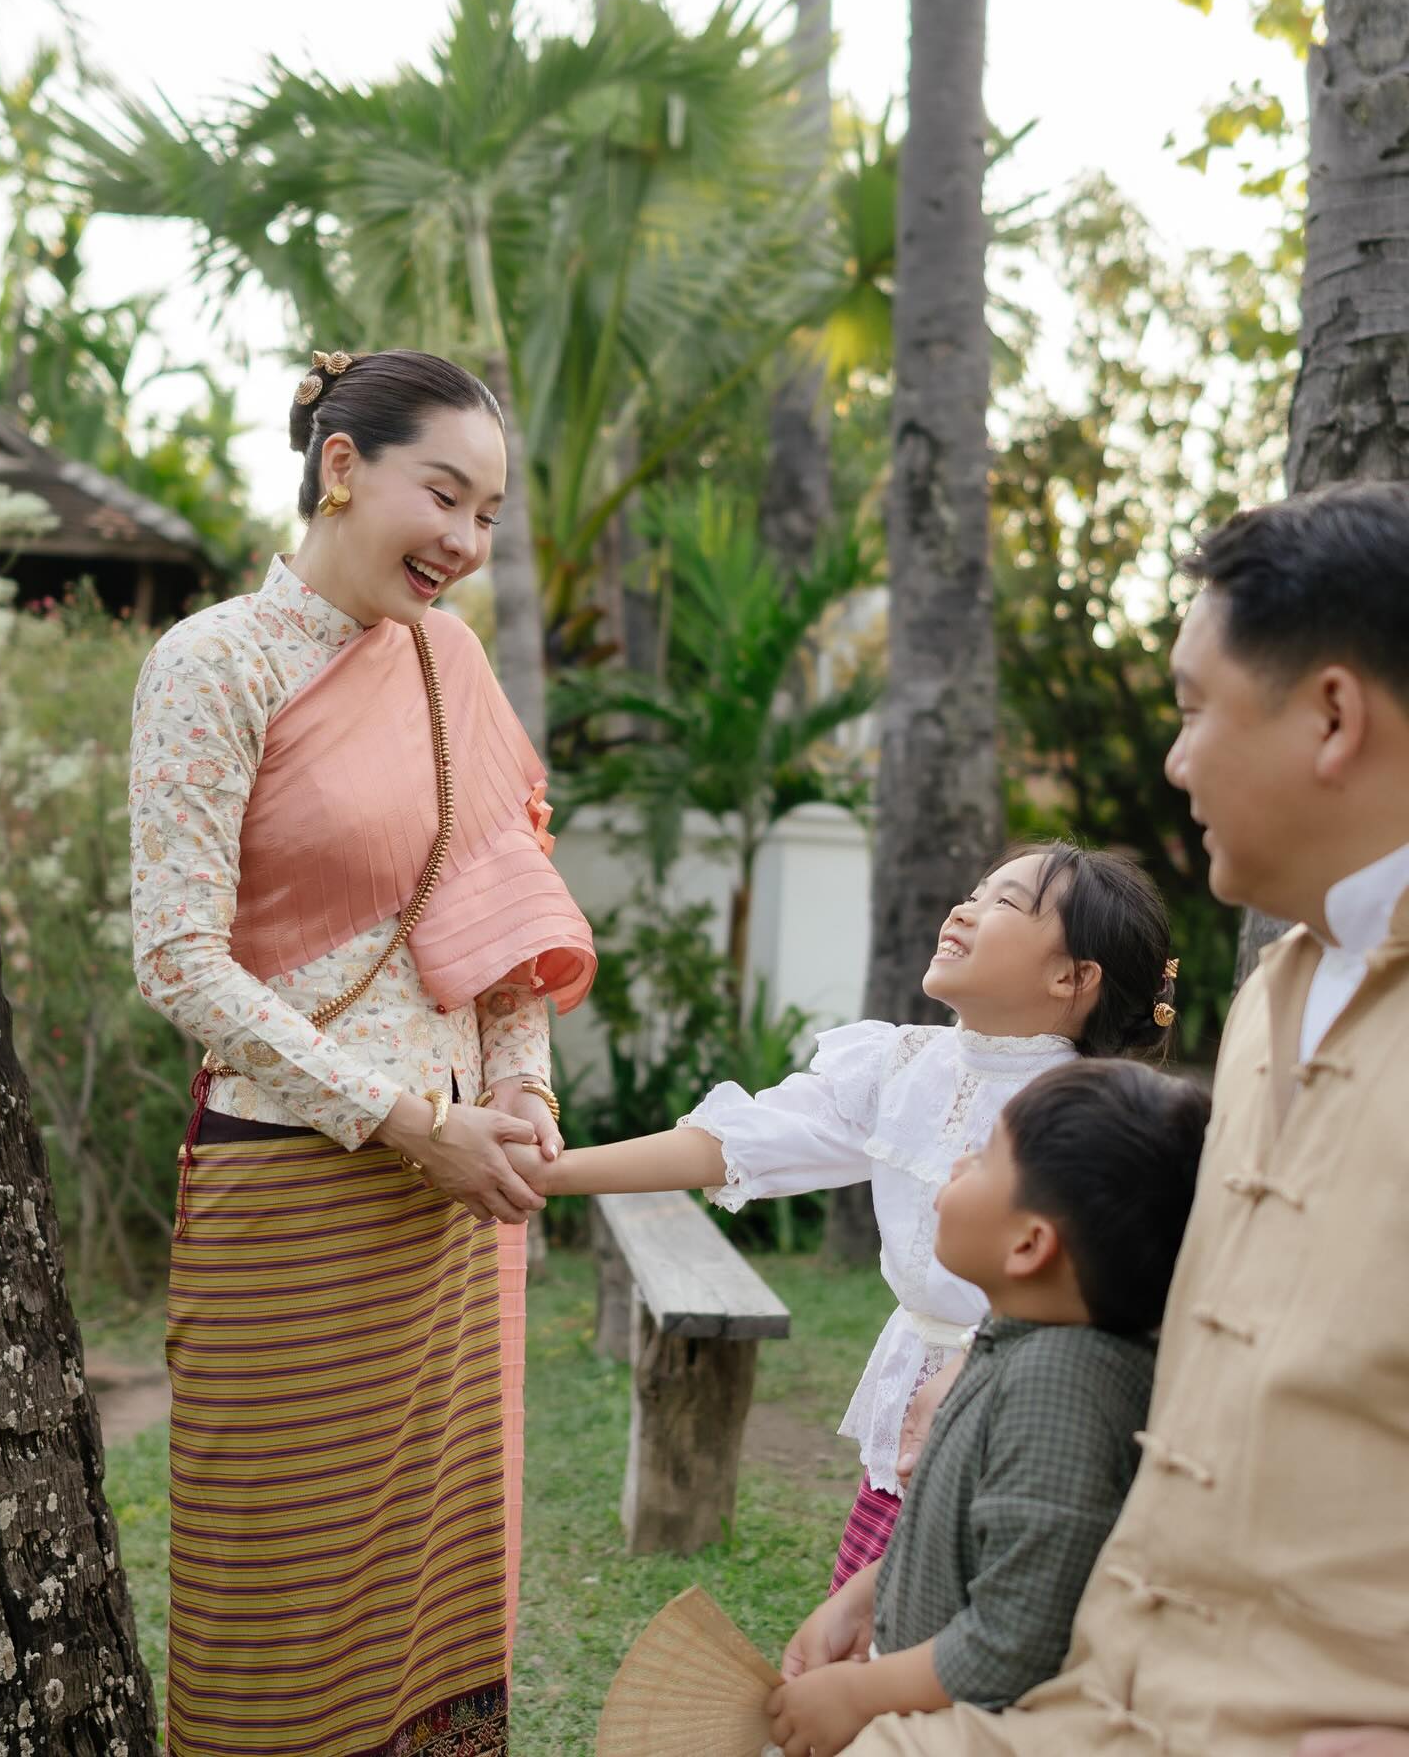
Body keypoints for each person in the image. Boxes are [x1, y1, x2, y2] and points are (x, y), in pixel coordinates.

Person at [843, 479, 1409, 1756]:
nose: (1175, 759)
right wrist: (888, 1586)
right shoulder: (1275, 998)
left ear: (1331, 715)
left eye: (1197, 709)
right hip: (1089, 1690)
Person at [129, 348, 595, 1757]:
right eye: (443, 496)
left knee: (434, 1594)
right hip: (292, 1191)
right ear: (344, 469)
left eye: (491, 515)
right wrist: (405, 1119)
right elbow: (176, 957)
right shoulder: (215, 661)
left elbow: (503, 915)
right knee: (274, 1601)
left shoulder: (452, 667)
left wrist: (518, 1091)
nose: (466, 542)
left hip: (456, 1203)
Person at [519, 840, 1178, 1589]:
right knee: (867, 1616)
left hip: (1030, 1408)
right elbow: (737, 1144)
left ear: (1073, 976)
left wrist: (976, 1366)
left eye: (1005, 903)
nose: (964, 909)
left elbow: (1104, 1293)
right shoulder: (900, 1066)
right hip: (914, 1395)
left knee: (960, 1626)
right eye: (975, 888)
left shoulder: (1090, 1113)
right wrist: (554, 1172)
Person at [764, 1060, 1209, 1757]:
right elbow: (978, 1543)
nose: (958, 1164)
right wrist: (865, 1598)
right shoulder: (1016, 1345)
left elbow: (1015, 1639)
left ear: (1030, 1244)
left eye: (984, 1158)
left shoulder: (1060, 1388)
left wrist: (861, 1695)